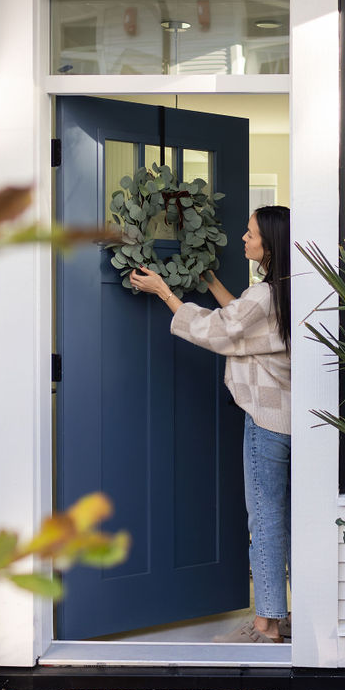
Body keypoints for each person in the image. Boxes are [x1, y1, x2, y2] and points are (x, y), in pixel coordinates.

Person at [130, 205, 291, 644]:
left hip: (265, 420)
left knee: (266, 522)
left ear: (270, 244)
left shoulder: (264, 296)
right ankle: (280, 617)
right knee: (284, 521)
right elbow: (242, 325)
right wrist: (211, 281)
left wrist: (165, 292)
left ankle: (266, 626)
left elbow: (218, 332)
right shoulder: (286, 292)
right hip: (294, 422)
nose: (243, 238)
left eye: (250, 232)